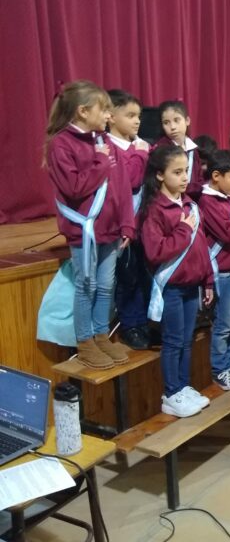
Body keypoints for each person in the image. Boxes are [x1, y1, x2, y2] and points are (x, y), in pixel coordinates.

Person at [46, 80, 134, 370]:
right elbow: (73, 187)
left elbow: (120, 186)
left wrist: (127, 223)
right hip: (84, 231)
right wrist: (98, 163)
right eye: (104, 110)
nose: (109, 116)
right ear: (83, 111)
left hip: (110, 228)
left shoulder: (103, 141)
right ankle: (84, 340)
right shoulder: (61, 144)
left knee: (107, 285)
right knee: (87, 285)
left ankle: (100, 334)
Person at [141, 145, 214, 417]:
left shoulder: (190, 205)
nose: (185, 177)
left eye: (186, 171)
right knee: (172, 342)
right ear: (160, 175)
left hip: (192, 285)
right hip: (171, 287)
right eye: (177, 172)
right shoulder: (155, 210)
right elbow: (155, 251)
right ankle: (171, 393)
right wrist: (183, 229)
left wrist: (207, 280)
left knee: (186, 340)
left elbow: (202, 246)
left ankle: (183, 388)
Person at [198, 151, 230, 391]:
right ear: (216, 176)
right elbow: (229, 234)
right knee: (223, 324)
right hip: (223, 273)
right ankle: (220, 369)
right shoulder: (208, 201)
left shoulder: (228, 198)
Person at [107, 89, 151, 350]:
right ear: (111, 116)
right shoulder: (108, 147)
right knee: (128, 277)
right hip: (122, 225)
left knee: (145, 275)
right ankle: (130, 325)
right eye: (130, 115)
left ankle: (144, 322)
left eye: (139, 116)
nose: (137, 121)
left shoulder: (139, 145)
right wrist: (142, 153)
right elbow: (131, 179)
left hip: (145, 223)